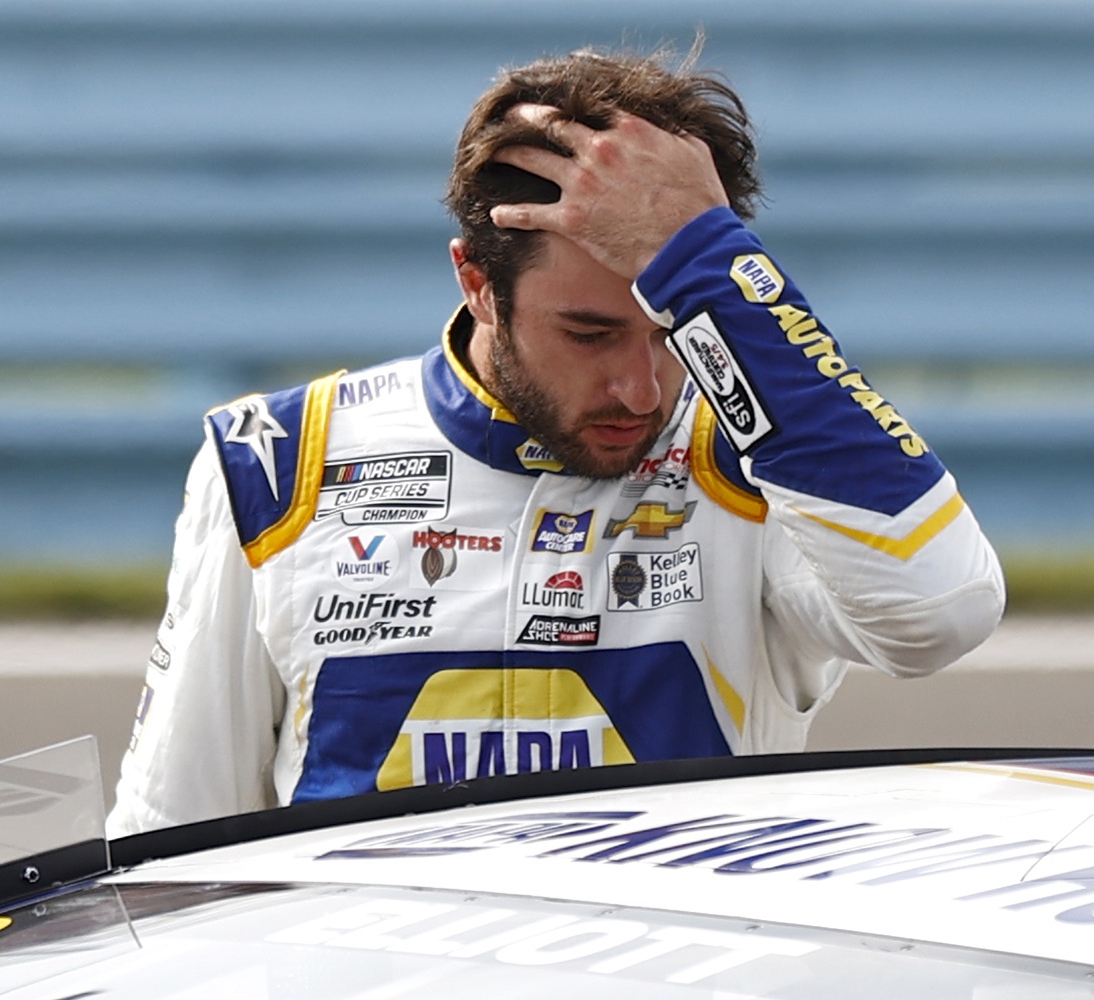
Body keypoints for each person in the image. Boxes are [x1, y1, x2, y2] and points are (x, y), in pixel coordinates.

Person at [105, 46, 1005, 837]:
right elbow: (173, 840)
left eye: (669, 331)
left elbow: (942, 611)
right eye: (589, 333)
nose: (641, 389)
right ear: (476, 281)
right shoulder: (277, 461)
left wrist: (714, 270)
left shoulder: (759, 461)